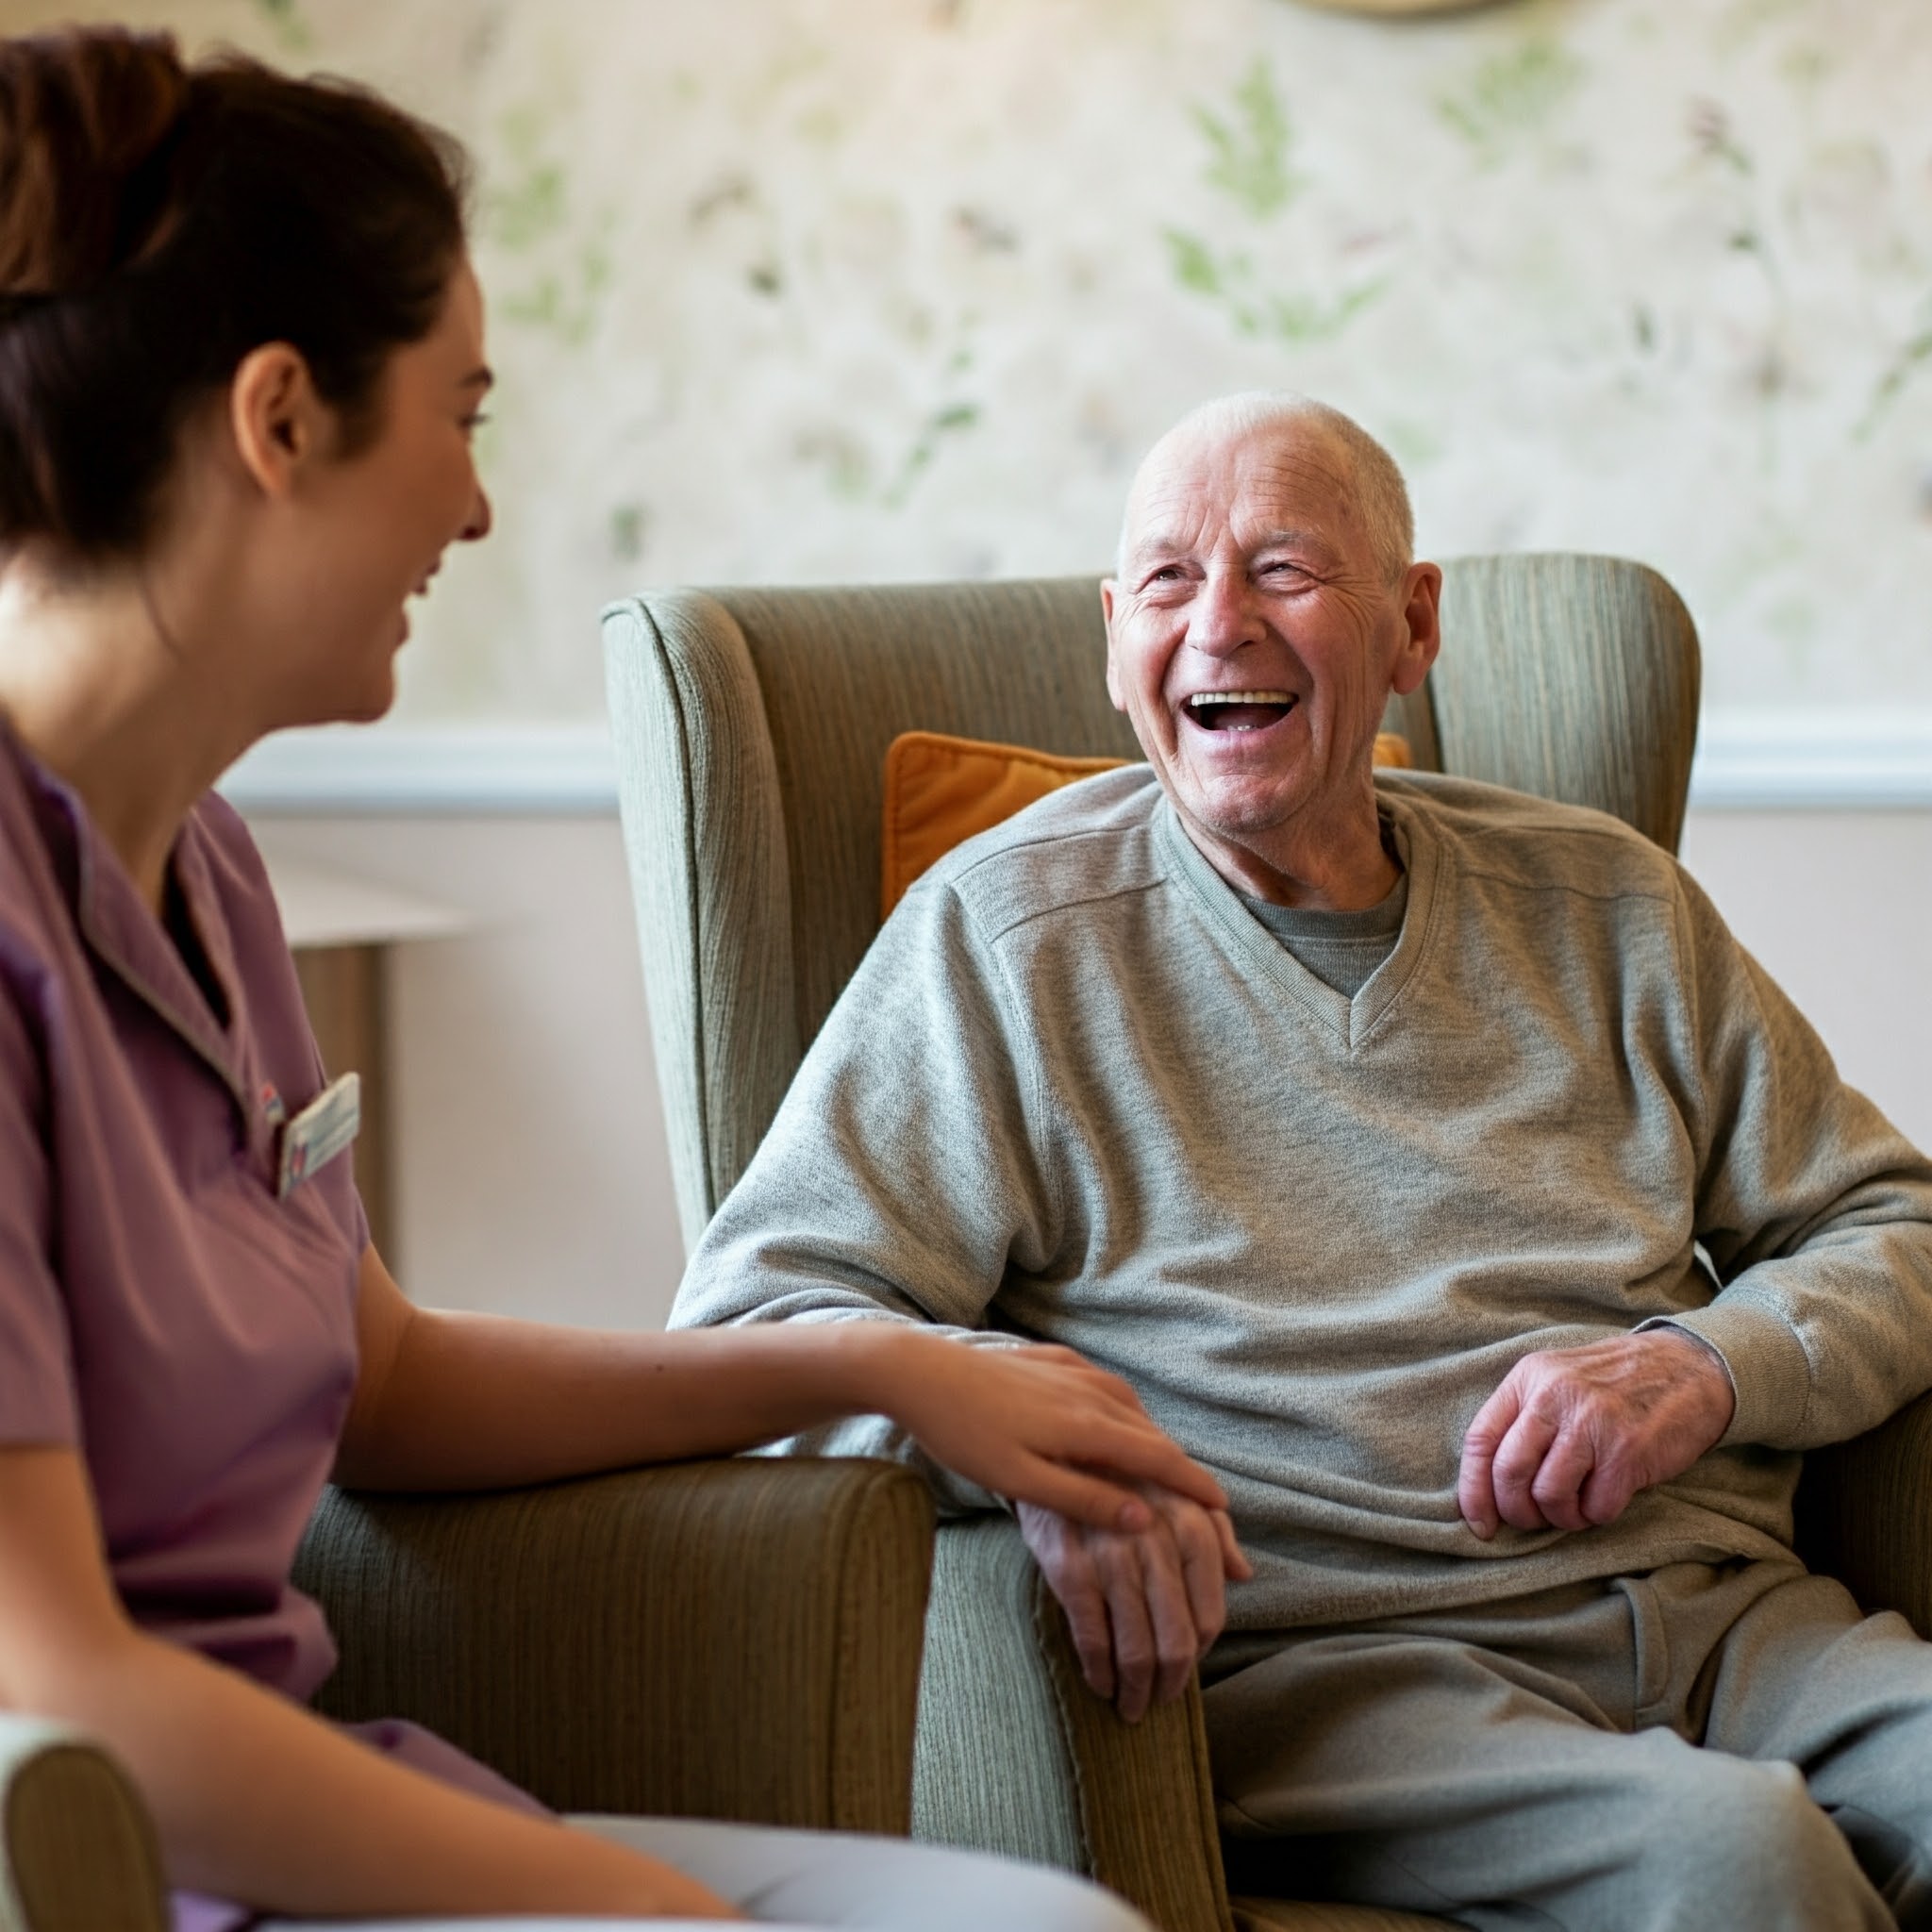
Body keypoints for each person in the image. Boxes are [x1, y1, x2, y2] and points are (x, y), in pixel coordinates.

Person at [0, 26, 1229, 1932]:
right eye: (461, 413)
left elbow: (380, 1376)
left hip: (323, 1819)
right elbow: (64, 1698)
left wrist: (878, 1360)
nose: (477, 510)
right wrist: (658, 1912)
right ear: (280, 420)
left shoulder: (204, 864)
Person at [675, 389, 1932, 1930]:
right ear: (1113, 635)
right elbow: (752, 1336)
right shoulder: (1003, 941)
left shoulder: (1609, 905)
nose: (1218, 627)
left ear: (1413, 627)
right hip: (1336, 1668)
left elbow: (1892, 1225)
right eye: (1165, 580)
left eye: (1283, 571)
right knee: (1741, 1870)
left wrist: (1707, 1365)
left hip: (1722, 1616)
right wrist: (1026, 1446)